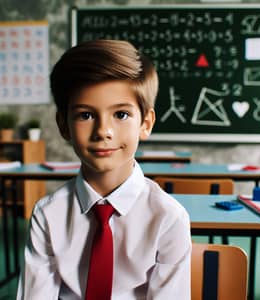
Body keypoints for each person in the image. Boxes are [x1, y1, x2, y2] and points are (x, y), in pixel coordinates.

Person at [17, 39, 191, 299]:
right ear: (64, 125)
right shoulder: (48, 214)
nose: (103, 132)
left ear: (145, 123)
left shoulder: (168, 218)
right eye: (85, 115)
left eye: (121, 115)